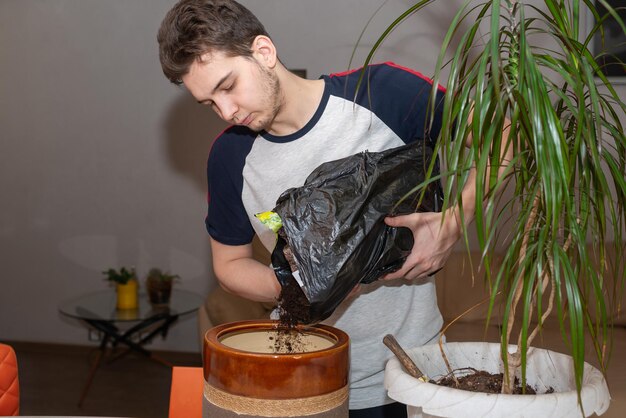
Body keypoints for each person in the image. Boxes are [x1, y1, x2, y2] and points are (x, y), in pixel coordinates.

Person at [157, 1, 498, 416]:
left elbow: (505, 136)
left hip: (410, 376)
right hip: (303, 381)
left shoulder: (383, 93)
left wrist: (456, 220)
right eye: (209, 103)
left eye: (227, 86)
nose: (226, 112)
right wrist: (295, 289)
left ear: (263, 51)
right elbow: (229, 264)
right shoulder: (229, 158)